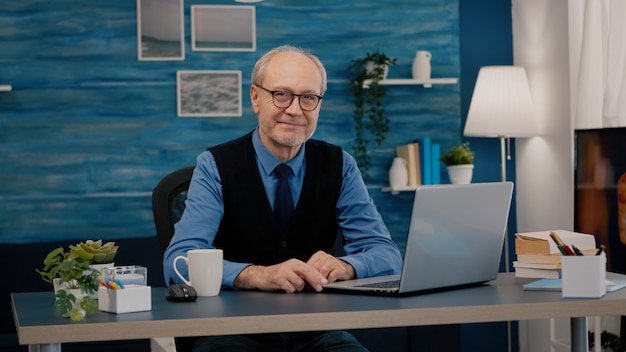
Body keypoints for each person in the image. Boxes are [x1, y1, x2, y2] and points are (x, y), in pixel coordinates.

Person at [163, 44, 403, 352]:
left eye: (308, 98)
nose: (294, 109)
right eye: (281, 94)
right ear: (255, 98)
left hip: (316, 330)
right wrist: (254, 274)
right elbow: (179, 261)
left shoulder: (340, 165)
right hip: (229, 329)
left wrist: (347, 266)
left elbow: (386, 254)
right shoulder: (215, 166)